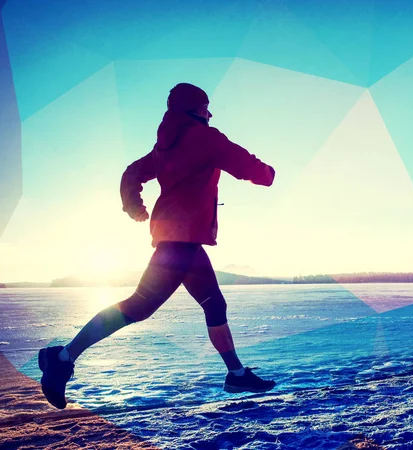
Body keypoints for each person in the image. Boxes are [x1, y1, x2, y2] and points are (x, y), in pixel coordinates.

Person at [38, 83, 277, 410]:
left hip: (183, 242)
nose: (211, 113)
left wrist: (133, 205)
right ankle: (61, 357)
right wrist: (269, 173)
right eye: (207, 107)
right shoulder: (206, 137)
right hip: (180, 244)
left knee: (214, 305)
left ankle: (235, 374)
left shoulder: (165, 147)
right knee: (138, 306)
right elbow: (247, 165)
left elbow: (131, 173)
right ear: (195, 109)